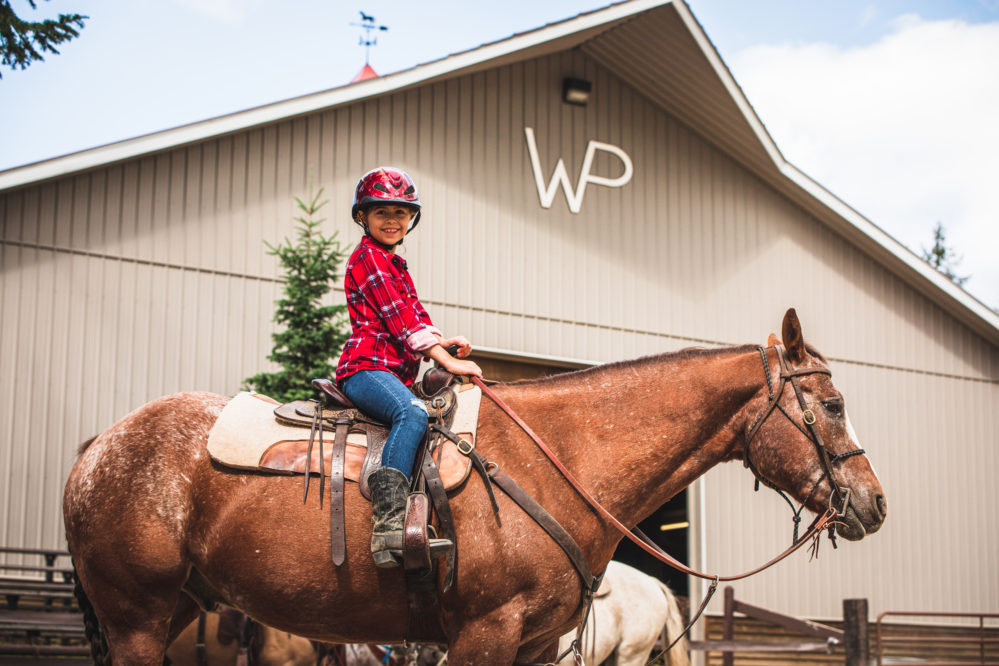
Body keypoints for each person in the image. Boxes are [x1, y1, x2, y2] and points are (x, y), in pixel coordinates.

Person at [335, 166, 483, 568]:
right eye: (381, 212)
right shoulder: (369, 259)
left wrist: (442, 340)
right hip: (364, 370)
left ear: (410, 220)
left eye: (401, 213)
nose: (392, 220)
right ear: (362, 217)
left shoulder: (393, 263)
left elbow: (415, 316)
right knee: (412, 413)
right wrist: (448, 359)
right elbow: (400, 323)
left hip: (389, 372)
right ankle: (387, 525)